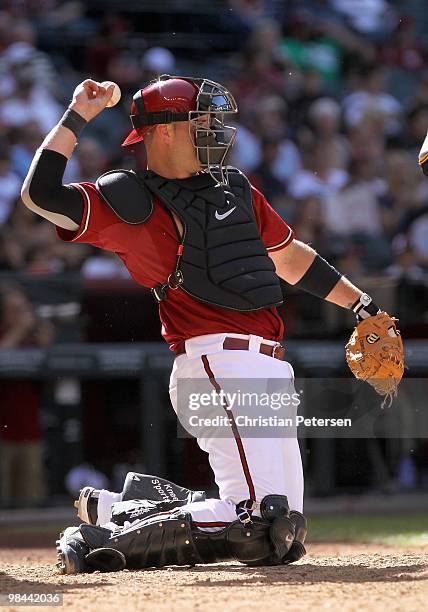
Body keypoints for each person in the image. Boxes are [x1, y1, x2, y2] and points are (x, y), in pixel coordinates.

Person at [22, 76, 388, 574]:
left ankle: (125, 509)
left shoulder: (235, 186)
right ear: (164, 132)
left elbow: (288, 257)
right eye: (201, 120)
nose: (215, 129)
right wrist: (77, 116)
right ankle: (99, 543)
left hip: (270, 366)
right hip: (215, 361)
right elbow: (41, 196)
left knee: (286, 530)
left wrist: (361, 304)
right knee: (261, 526)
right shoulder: (132, 198)